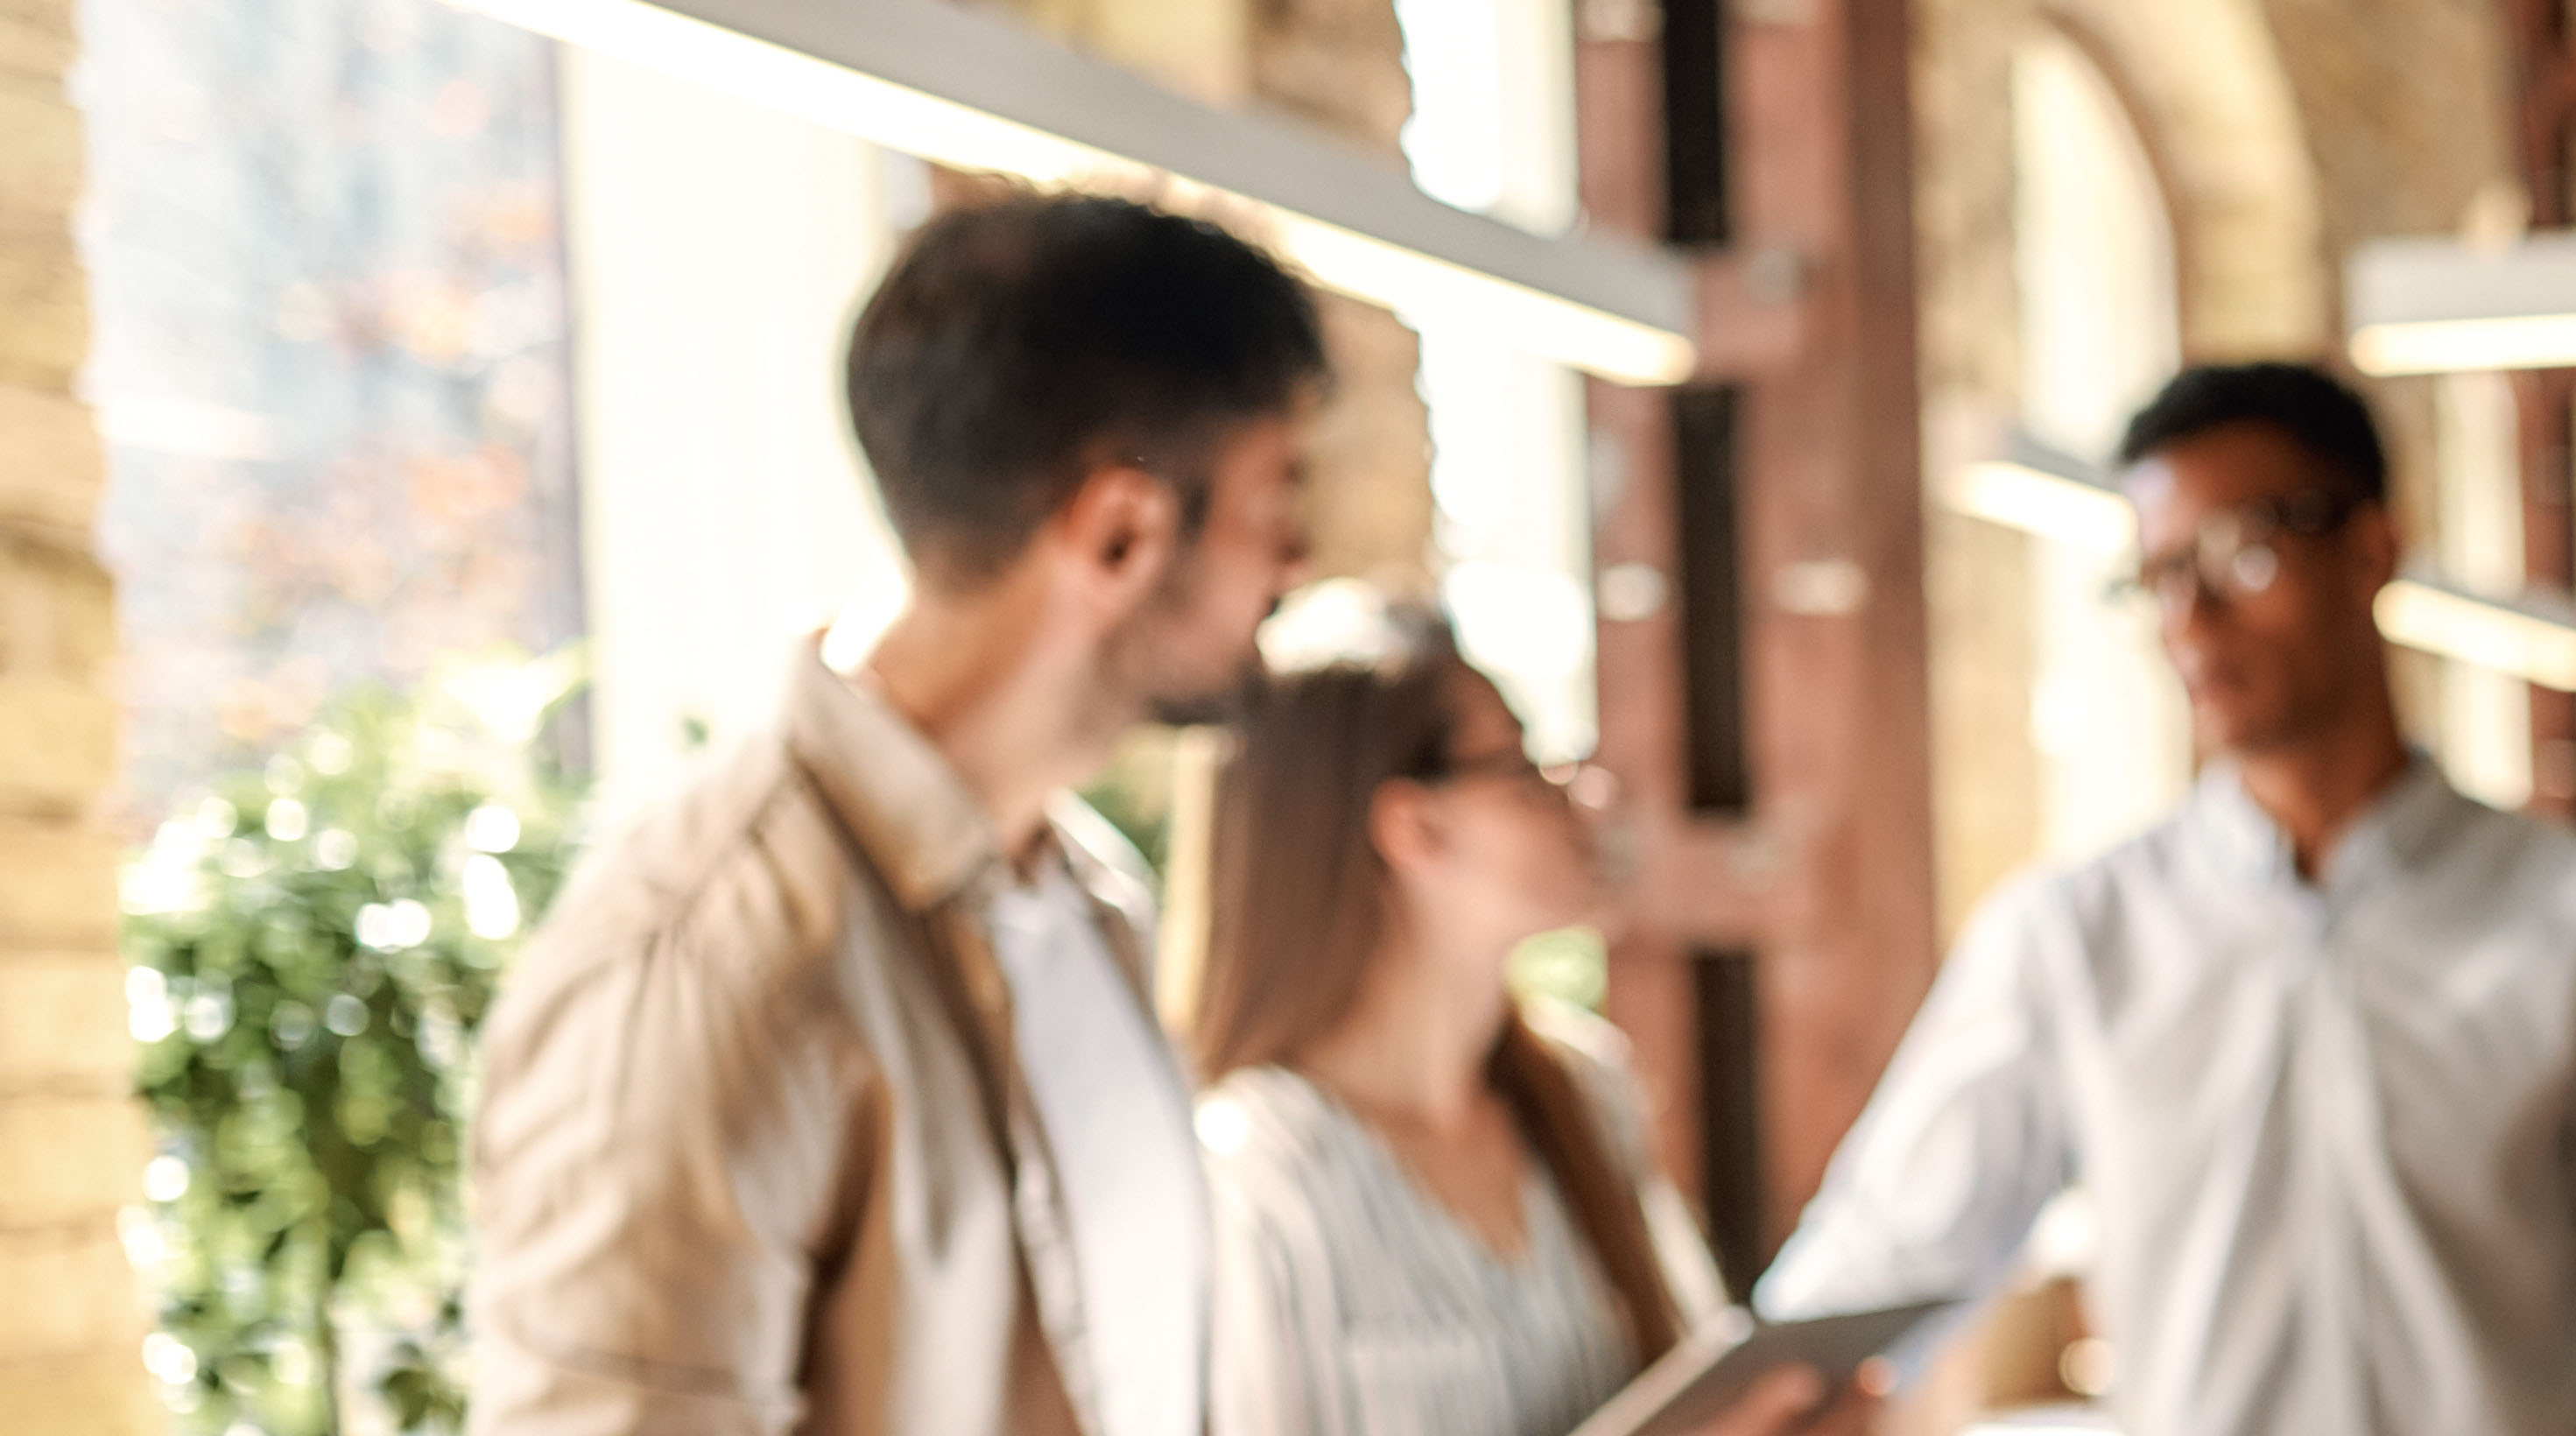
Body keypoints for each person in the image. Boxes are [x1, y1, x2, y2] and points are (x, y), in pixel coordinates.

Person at [1751, 363, 2576, 1436]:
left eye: (2240, 550)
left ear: (2370, 551)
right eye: (2158, 575)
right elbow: (1876, 1261)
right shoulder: (2073, 938)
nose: (2190, 617)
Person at [466, 194, 1322, 1436]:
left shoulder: (1088, 899)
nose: (1299, 559)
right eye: (1276, 501)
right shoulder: (705, 962)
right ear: (1121, 532)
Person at [1193, 607, 1823, 1435]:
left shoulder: (1587, 1094)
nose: (1581, 794)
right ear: (1416, 828)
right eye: (1522, 766)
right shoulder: (1255, 1176)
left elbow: (1694, 1381)